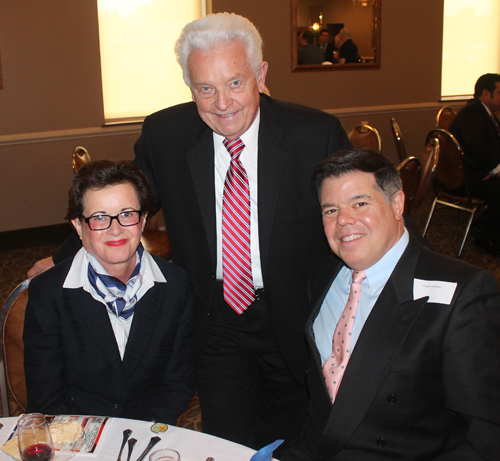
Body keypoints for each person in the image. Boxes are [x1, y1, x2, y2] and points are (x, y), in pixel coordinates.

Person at [29, 12, 351, 451]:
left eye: (235, 83)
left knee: (287, 440)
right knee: (223, 440)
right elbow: (129, 205)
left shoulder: (313, 133)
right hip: (214, 314)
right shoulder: (166, 133)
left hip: (294, 315)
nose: (222, 103)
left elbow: (354, 217)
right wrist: (62, 257)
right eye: (205, 88)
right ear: (190, 87)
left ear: (260, 74)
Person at [282, 148, 500, 460]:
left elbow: (483, 435)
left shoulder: (464, 294)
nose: (343, 220)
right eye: (330, 211)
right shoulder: (321, 278)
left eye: (359, 203)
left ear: (397, 204)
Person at [24, 160, 196, 423]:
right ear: (79, 227)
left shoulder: (176, 284)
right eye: (100, 217)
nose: (116, 229)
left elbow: (178, 382)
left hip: (149, 431)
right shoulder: (48, 293)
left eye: (127, 214)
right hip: (77, 435)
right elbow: (46, 395)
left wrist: (141, 433)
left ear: (144, 219)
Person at [449, 73, 500, 256]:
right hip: (464, 178)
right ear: (487, 94)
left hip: (476, 172)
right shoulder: (473, 113)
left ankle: (483, 224)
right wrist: (495, 169)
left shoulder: (486, 114)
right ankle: (486, 237)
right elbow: (475, 143)